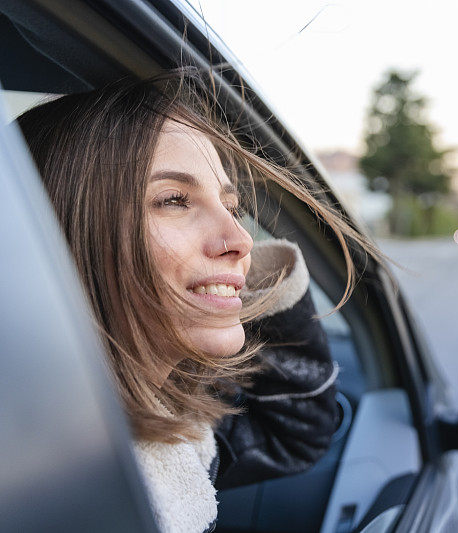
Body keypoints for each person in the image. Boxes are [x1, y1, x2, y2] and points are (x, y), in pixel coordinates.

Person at [14, 67, 380, 533]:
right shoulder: (47, 481)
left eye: (232, 207)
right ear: (61, 231)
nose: (242, 239)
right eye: (173, 200)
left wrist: (221, 282)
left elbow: (293, 437)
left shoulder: (176, 430)